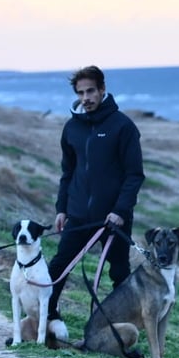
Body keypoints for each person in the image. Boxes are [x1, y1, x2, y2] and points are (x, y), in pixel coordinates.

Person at [46, 65, 145, 324]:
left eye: (91, 91)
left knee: (120, 275)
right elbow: (68, 172)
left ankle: (121, 327)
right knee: (58, 267)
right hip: (78, 215)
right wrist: (62, 208)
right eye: (81, 92)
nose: (86, 98)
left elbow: (134, 175)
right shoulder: (71, 128)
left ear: (102, 90)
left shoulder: (123, 126)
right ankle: (46, 319)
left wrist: (121, 211)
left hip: (114, 218)